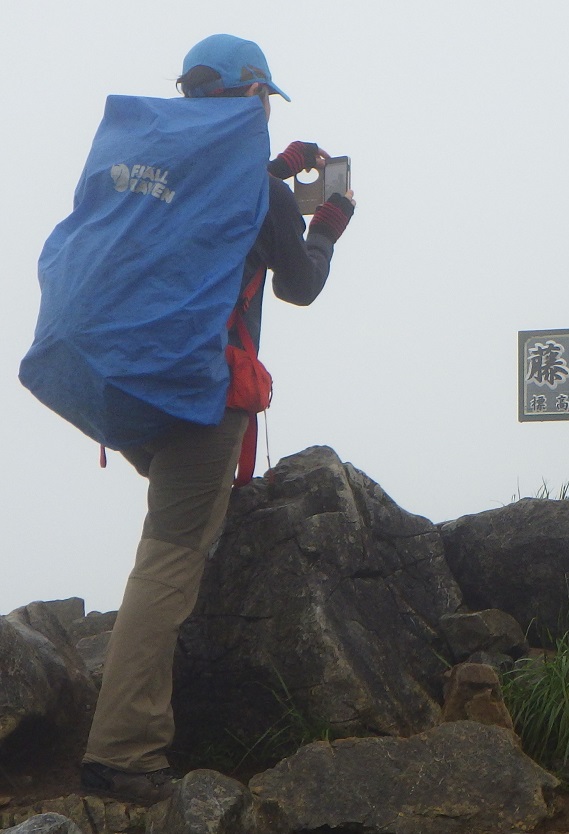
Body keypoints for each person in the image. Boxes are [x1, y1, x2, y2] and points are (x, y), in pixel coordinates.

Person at [78, 34, 355, 803]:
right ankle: (123, 753)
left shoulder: (159, 167)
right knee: (168, 560)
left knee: (180, 531)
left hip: (129, 386)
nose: (266, 109)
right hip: (203, 392)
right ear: (245, 96)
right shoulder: (259, 195)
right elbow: (299, 285)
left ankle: (139, 717)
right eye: (263, 96)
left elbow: (209, 223)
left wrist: (272, 174)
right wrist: (327, 221)